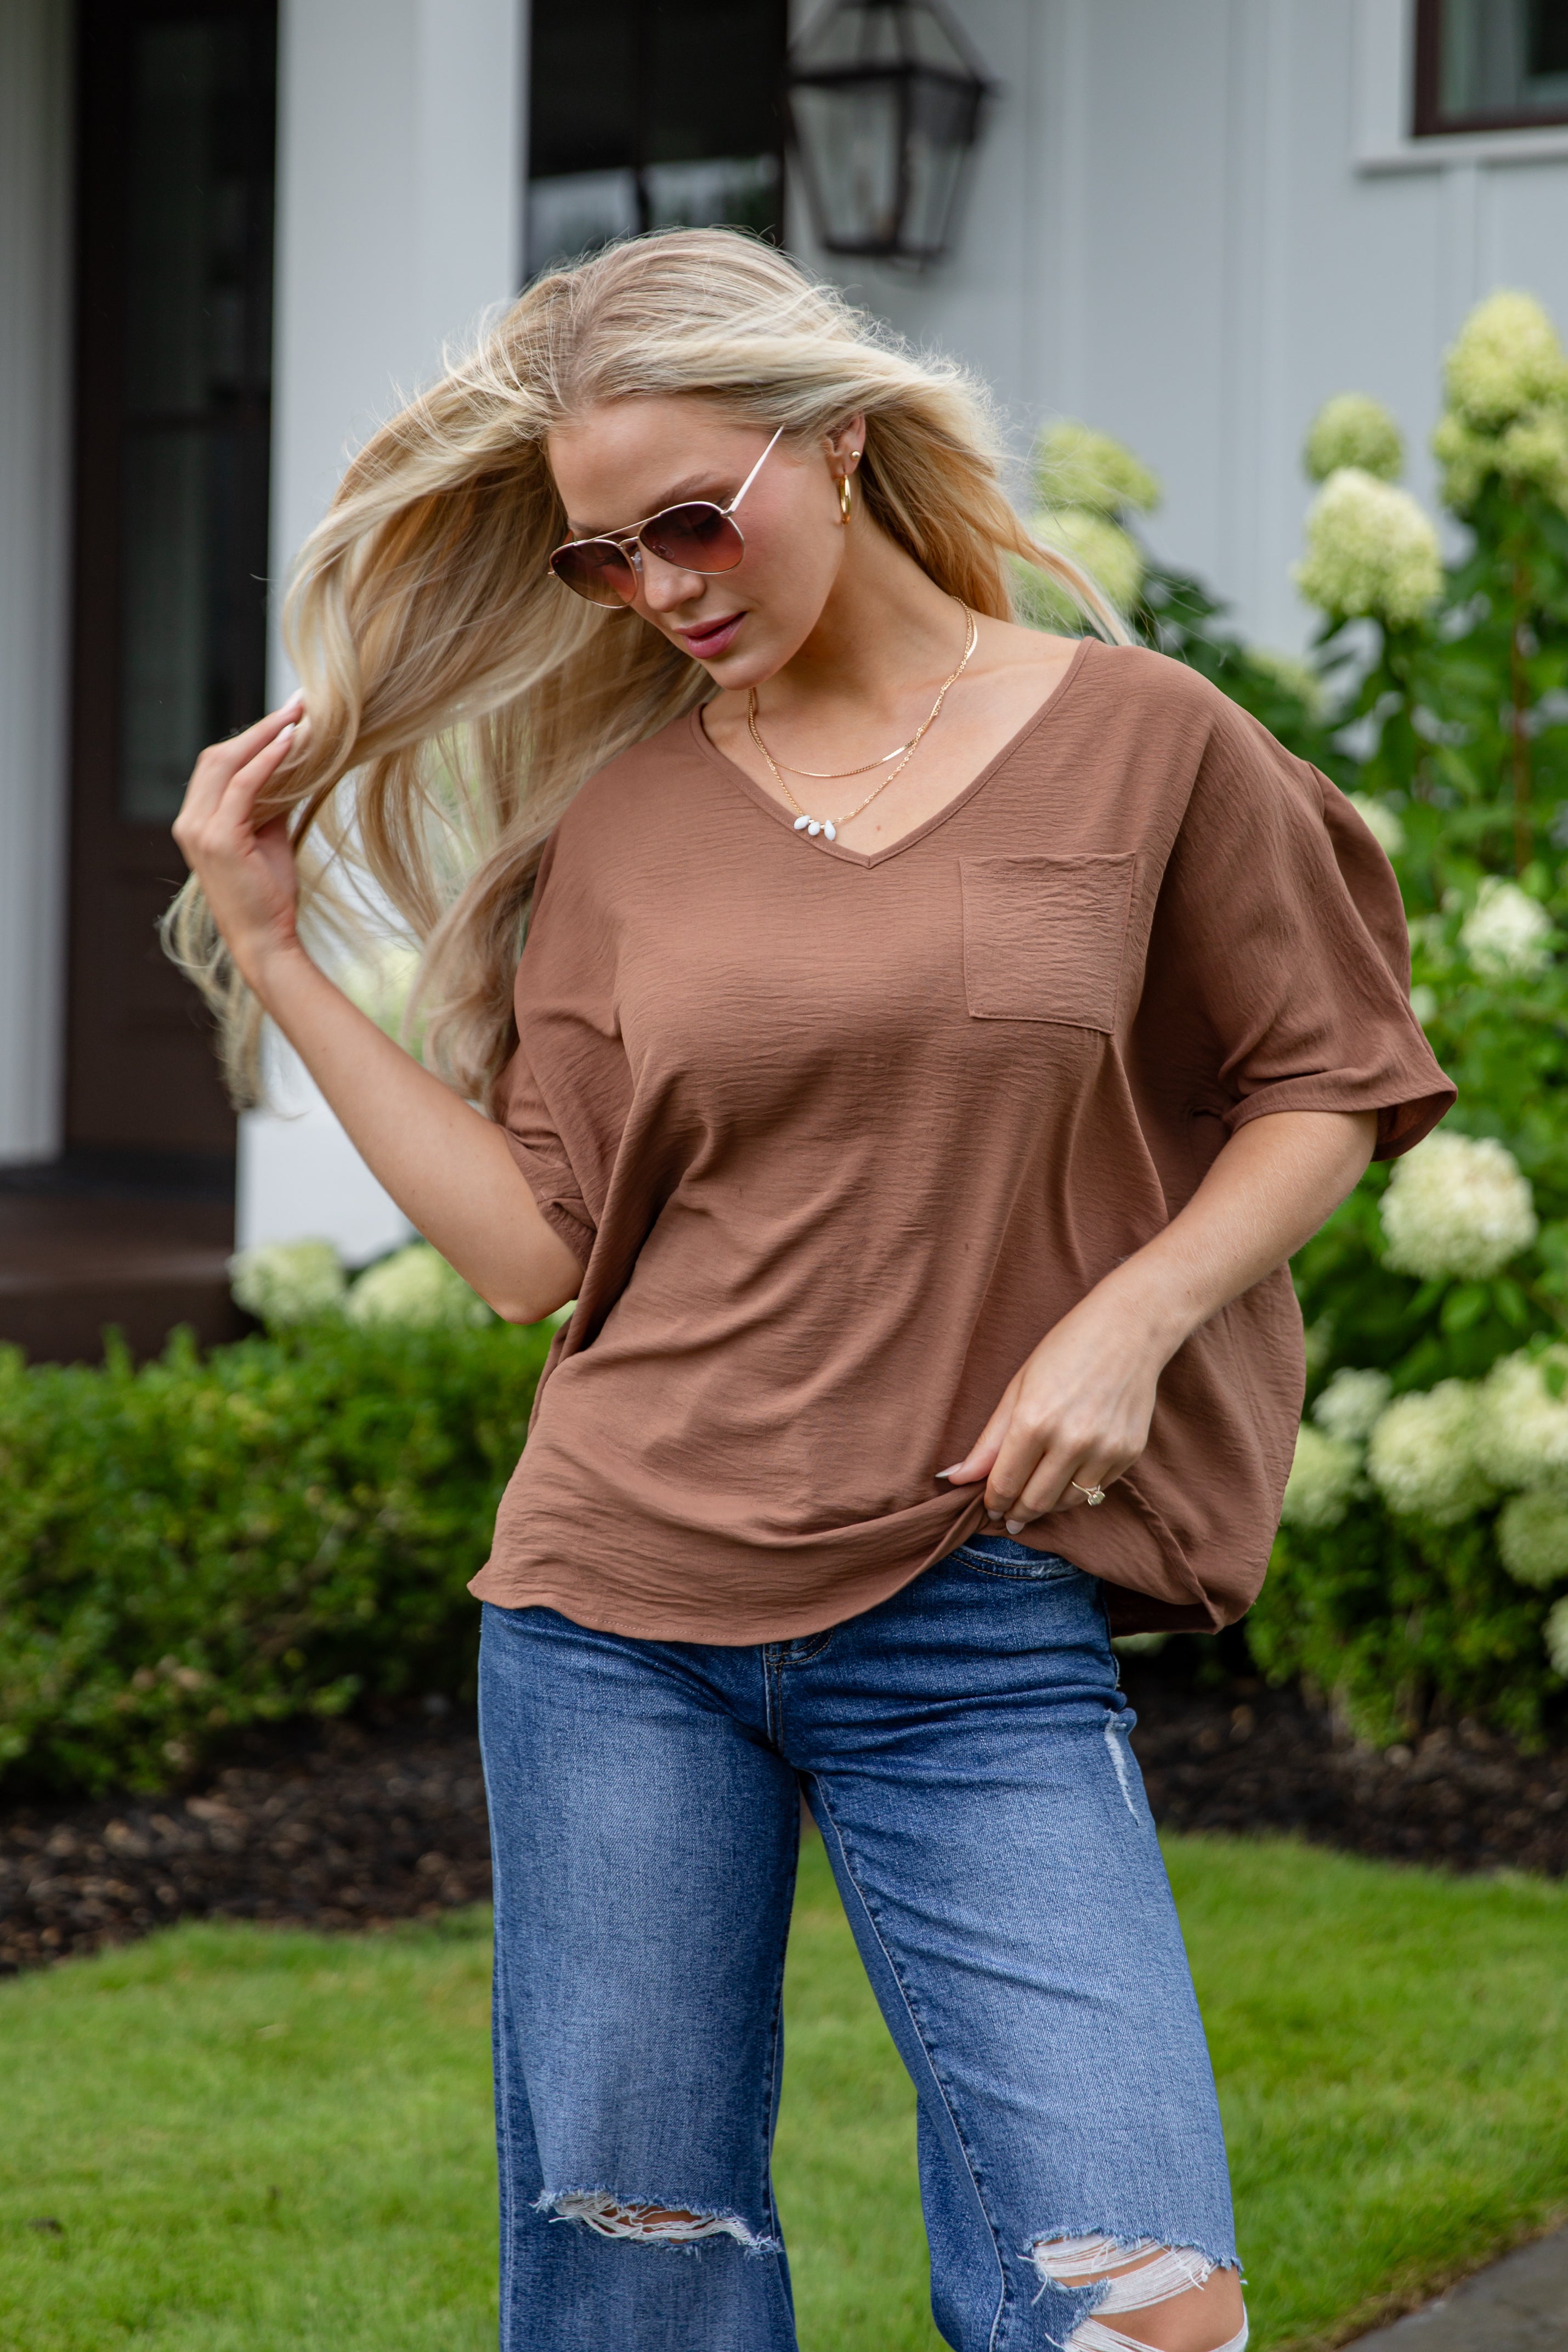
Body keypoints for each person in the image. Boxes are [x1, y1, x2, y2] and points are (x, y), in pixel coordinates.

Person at [168, 230, 1453, 2352]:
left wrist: (1127, 1316)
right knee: (635, 2287)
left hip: (975, 1606)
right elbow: (529, 1259)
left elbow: (1335, 1077)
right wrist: (284, 949)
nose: (664, 588)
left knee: (1140, 2305)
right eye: (605, 558)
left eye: (694, 518)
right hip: (609, 1622)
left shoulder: (1140, 742)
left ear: (834, 443)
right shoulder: (625, 824)